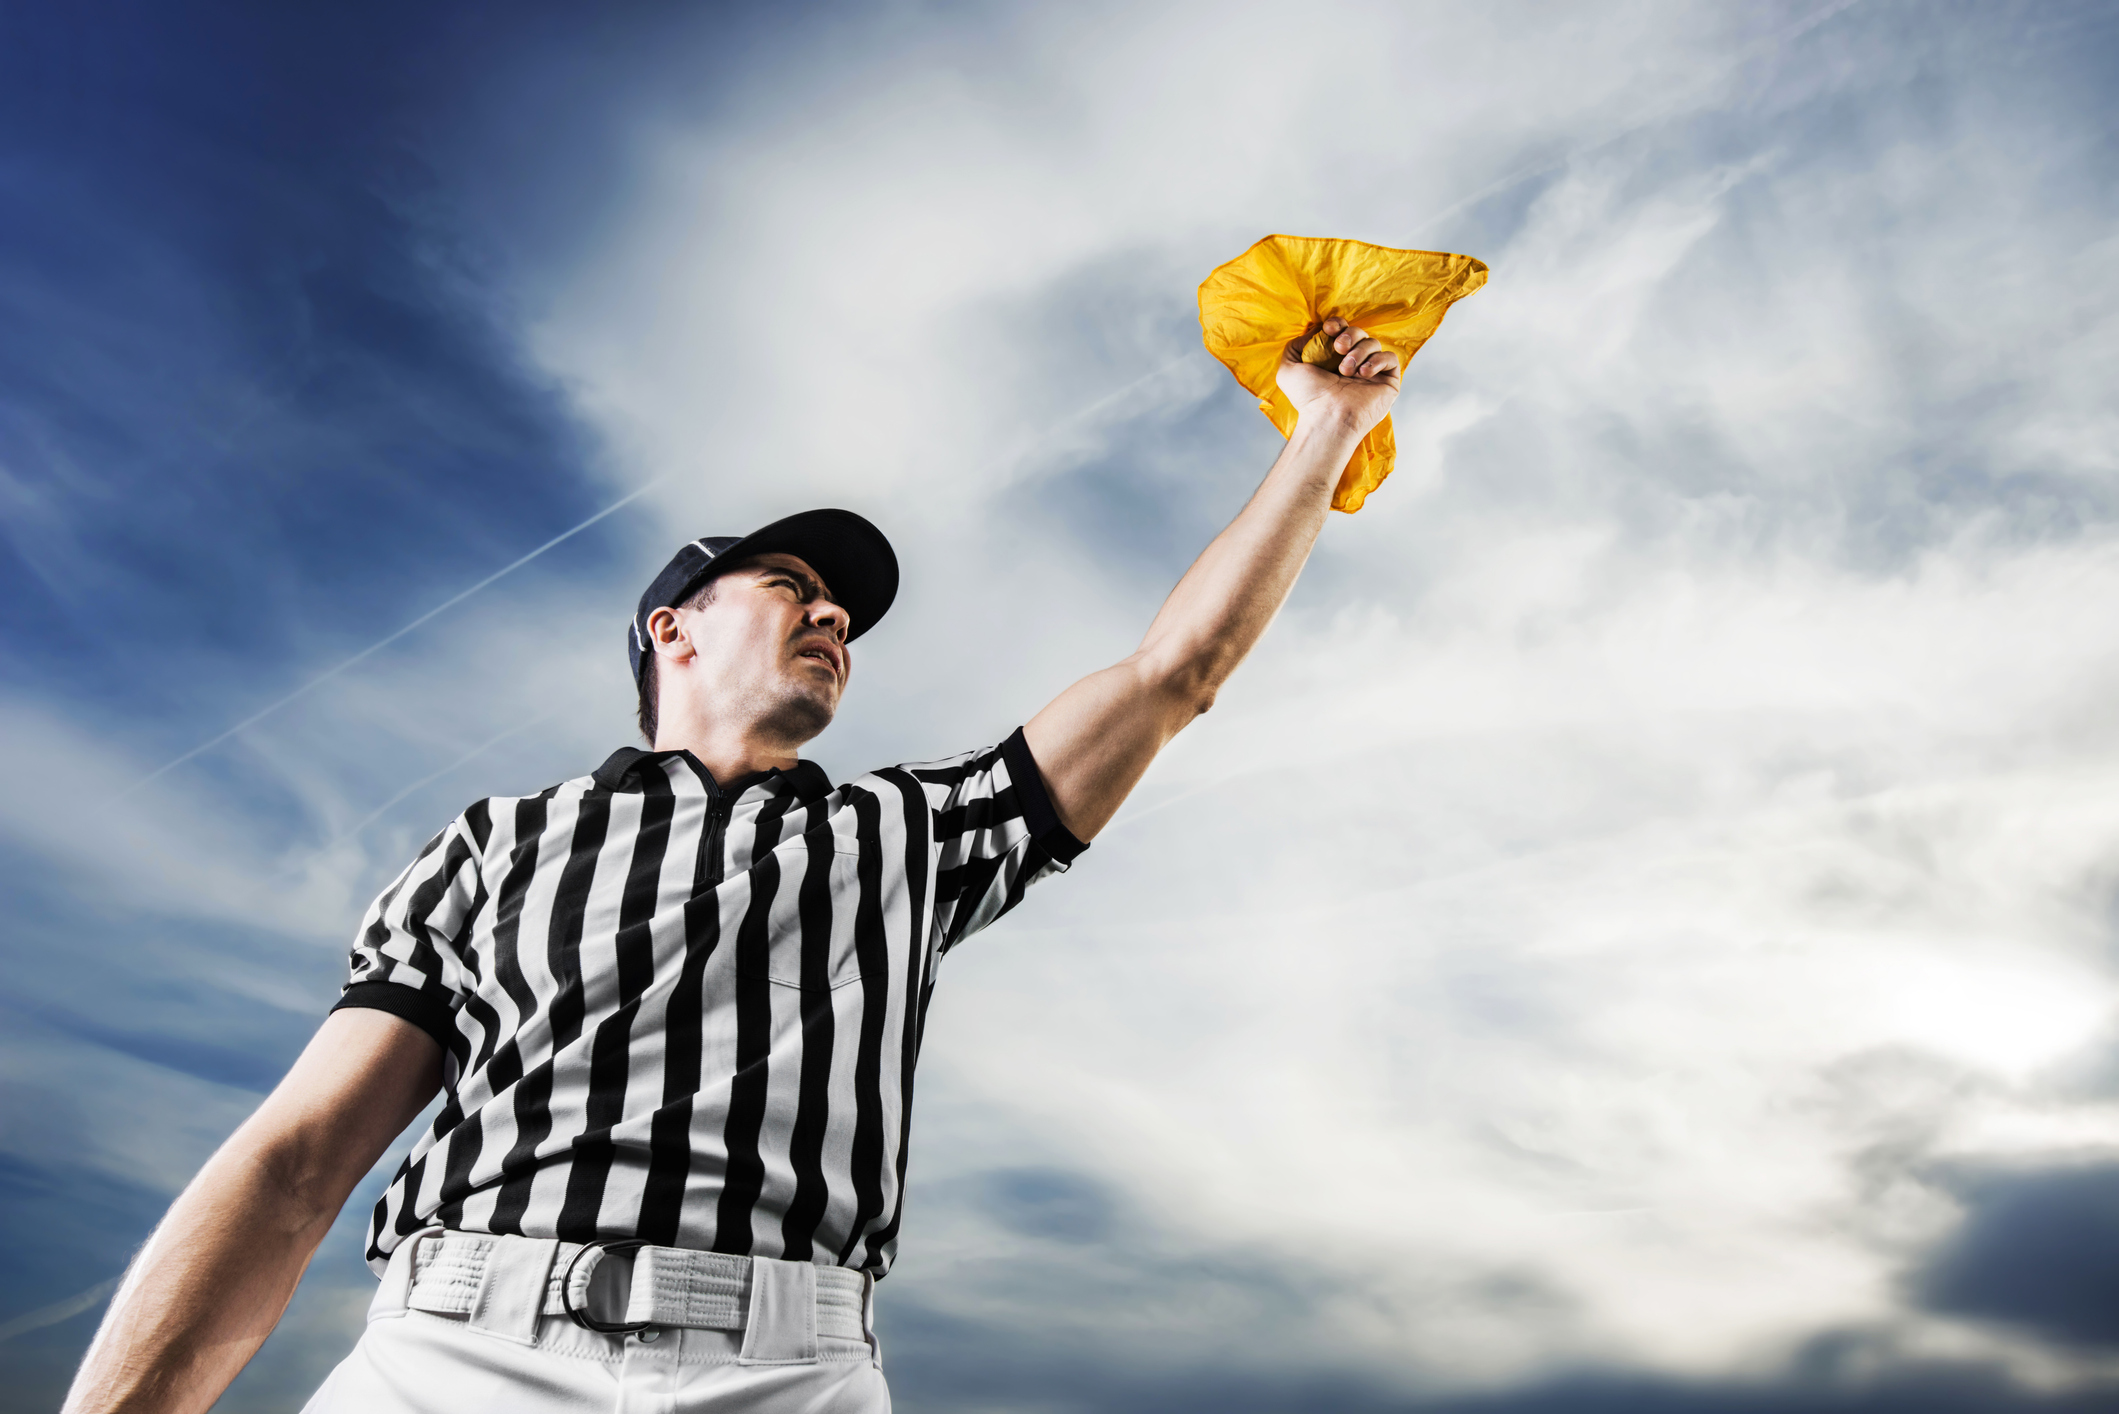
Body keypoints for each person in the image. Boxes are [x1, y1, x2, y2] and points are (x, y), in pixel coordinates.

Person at [63, 317, 1403, 1413]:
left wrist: (1327, 427)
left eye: (842, 609)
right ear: (675, 630)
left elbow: (1174, 673)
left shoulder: (908, 834)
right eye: (791, 585)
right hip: (462, 1355)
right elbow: (298, 1161)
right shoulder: (495, 844)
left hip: (787, 1372)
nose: (833, 612)